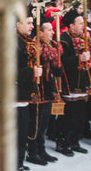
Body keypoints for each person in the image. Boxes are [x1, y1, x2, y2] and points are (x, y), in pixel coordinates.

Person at [26, 17, 60, 165]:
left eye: (53, 30)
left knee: (44, 122)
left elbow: (57, 68)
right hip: (37, 90)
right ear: (40, 33)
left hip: (47, 89)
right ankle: (33, 152)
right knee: (36, 124)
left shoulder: (52, 46)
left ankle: (41, 149)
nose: (52, 32)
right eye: (49, 30)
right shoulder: (35, 46)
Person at [55, 9, 90, 156]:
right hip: (69, 83)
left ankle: (74, 141)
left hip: (82, 83)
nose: (83, 25)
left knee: (80, 116)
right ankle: (63, 143)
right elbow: (62, 62)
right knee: (69, 116)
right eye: (80, 22)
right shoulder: (64, 39)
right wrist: (79, 59)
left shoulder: (84, 39)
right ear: (71, 25)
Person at [16, 12, 42, 171]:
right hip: (15, 94)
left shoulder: (26, 41)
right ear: (18, 24)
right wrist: (31, 72)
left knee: (24, 129)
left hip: (25, 93)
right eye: (29, 22)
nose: (32, 26)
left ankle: (19, 161)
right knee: (18, 132)